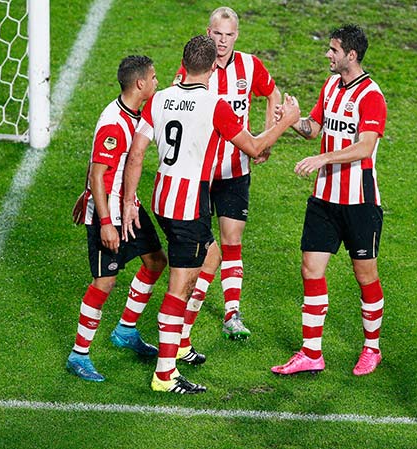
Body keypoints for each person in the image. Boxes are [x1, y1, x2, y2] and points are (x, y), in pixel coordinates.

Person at [122, 35, 300, 394]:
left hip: (162, 200)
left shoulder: (159, 98)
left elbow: (137, 153)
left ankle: (181, 344)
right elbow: (254, 146)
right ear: (213, 67)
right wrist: (287, 121)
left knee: (214, 253)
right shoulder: (216, 105)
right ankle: (164, 374)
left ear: (183, 64)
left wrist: (128, 201)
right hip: (187, 209)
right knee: (179, 288)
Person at [271, 24, 388, 377]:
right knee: (311, 269)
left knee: (365, 275)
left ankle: (372, 349)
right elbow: (314, 128)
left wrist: (323, 159)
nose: (328, 55)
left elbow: (366, 146)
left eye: (333, 50)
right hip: (324, 199)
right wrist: (292, 120)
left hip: (360, 204)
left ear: (351, 56)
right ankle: (311, 353)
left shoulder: (371, 96)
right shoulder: (331, 86)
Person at [172, 7, 282, 360]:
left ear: (237, 35)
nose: (222, 42)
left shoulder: (250, 67)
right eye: (217, 34)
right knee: (204, 248)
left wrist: (265, 138)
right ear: (209, 32)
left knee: (231, 241)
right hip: (201, 174)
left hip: (235, 169)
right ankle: (185, 310)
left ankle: (232, 314)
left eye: (228, 35)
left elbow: (273, 93)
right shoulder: (196, 67)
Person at [66, 56, 167, 382]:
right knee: (105, 282)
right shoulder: (114, 124)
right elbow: (98, 175)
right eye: (153, 78)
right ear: (140, 84)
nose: (156, 82)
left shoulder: (135, 113)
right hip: (107, 214)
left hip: (129, 208)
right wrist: (107, 223)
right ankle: (78, 355)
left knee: (155, 261)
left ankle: (125, 329)